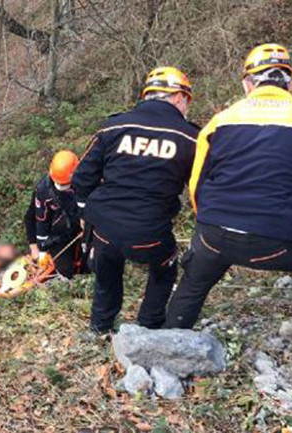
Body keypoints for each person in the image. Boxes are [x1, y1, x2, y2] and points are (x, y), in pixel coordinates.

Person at [163, 44, 292, 365]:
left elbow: (197, 186)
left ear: (247, 84)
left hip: (214, 233)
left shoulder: (219, 121)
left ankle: (170, 336)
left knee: (197, 274)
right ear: (289, 84)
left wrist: (210, 224)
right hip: (277, 239)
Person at [72, 67, 198, 333]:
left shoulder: (114, 126)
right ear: (177, 97)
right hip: (151, 231)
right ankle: (149, 323)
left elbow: (82, 178)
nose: (187, 107)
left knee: (107, 274)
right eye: (186, 100)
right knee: (165, 268)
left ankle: (100, 326)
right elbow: (201, 188)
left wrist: (85, 213)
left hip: (105, 227)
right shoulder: (190, 137)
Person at [24, 150, 84, 278]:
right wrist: (40, 249)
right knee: (65, 271)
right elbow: (38, 219)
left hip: (84, 228)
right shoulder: (44, 190)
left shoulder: (87, 181)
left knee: (94, 263)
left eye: (65, 184)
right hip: (60, 234)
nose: (61, 187)